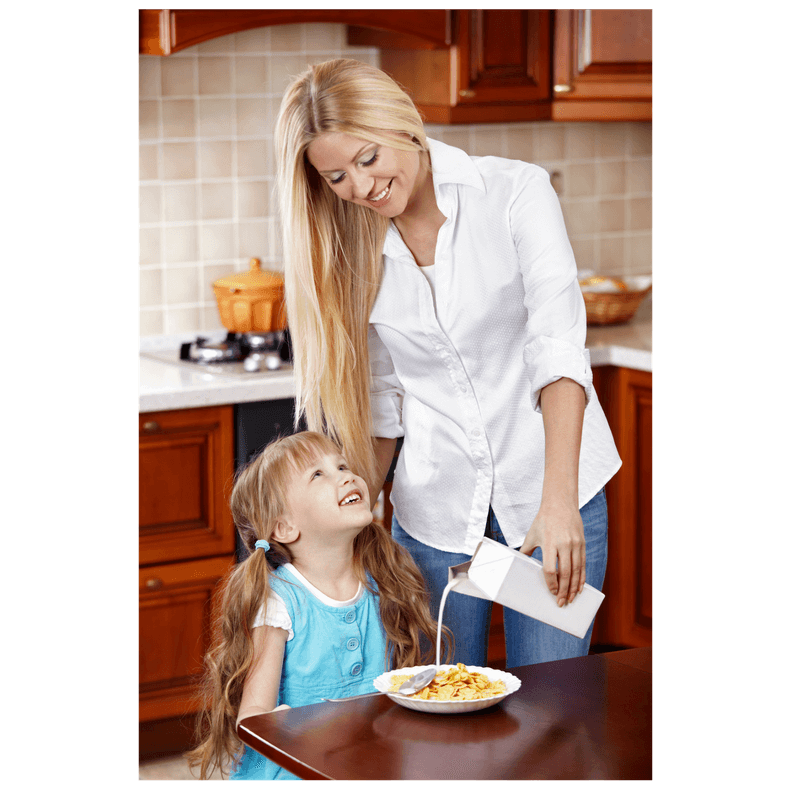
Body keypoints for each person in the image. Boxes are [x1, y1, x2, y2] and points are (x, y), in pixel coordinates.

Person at [275, 59, 622, 672]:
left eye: (368, 158)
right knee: (441, 710)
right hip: (435, 519)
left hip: (546, 501)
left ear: (401, 123)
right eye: (336, 176)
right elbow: (385, 402)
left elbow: (557, 349)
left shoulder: (515, 192)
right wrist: (350, 524)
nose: (361, 187)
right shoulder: (356, 251)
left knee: (552, 709)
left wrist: (560, 501)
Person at [186, 431, 451, 781]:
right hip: (296, 768)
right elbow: (252, 718)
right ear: (284, 526)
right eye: (318, 474)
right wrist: (300, 728)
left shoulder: (381, 580)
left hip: (364, 761)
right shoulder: (279, 601)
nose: (346, 475)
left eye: (341, 465)